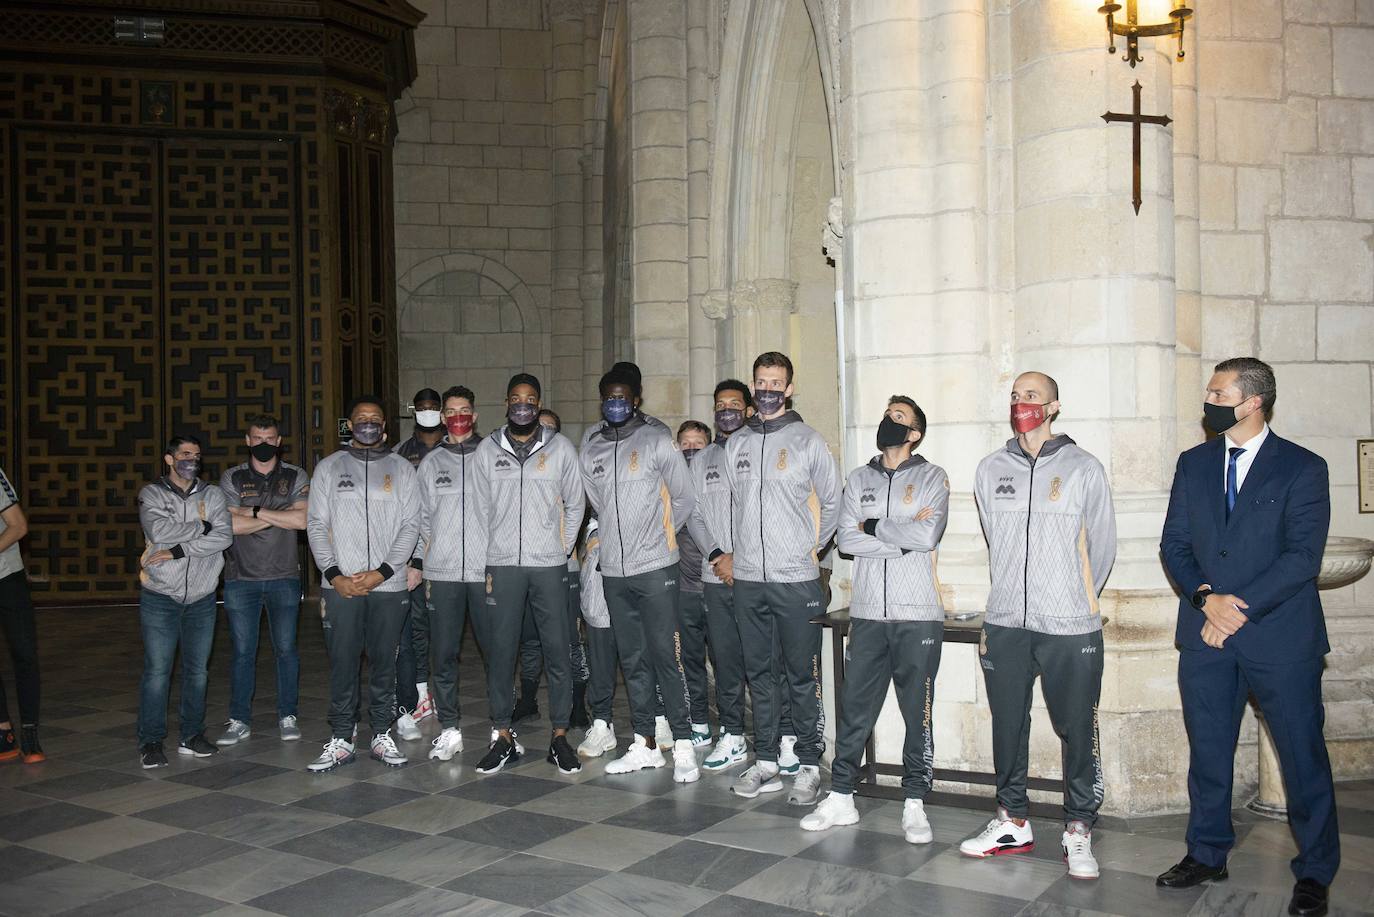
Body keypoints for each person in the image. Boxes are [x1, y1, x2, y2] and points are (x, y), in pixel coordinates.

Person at [1157, 358, 1338, 917]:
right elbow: (1175, 544)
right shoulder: (1194, 463)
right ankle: (1207, 851)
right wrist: (1204, 597)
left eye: (1217, 391)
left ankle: (1315, 870)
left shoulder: (1302, 467)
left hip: (1279, 637)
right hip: (1206, 634)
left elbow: (1302, 557)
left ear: (1251, 401)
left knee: (1301, 756)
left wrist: (1237, 608)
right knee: (1208, 751)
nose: (1206, 399)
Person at [960, 372, 1115, 881]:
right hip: (1006, 622)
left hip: (1069, 624)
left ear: (1054, 406)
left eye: (1032, 396)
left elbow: (1101, 545)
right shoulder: (990, 469)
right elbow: (994, 540)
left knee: (1076, 727)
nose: (1021, 402)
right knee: (1008, 723)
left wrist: (1079, 600)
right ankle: (1012, 820)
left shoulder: (1083, 468)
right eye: (1015, 395)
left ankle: (1078, 828)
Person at [801, 396, 947, 845]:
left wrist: (872, 527)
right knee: (855, 709)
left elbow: (927, 535)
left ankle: (915, 802)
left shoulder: (932, 477)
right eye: (885, 413)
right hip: (866, 615)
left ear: (915, 433)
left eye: (898, 417)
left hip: (917, 615)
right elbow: (845, 541)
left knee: (916, 713)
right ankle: (842, 795)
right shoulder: (858, 478)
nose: (888, 420)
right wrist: (894, 533)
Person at [724, 352, 839, 806]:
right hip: (750, 579)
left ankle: (809, 764)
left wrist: (810, 548)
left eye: (776, 381)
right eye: (761, 381)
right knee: (760, 673)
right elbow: (737, 504)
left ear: (788, 388)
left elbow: (833, 502)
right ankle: (768, 760)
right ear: (753, 386)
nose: (768, 388)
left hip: (796, 579)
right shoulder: (737, 444)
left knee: (801, 676)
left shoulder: (809, 441)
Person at [580, 364, 699, 782]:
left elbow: (683, 497)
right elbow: (597, 503)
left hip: (655, 567)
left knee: (667, 655)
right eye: (608, 397)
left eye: (622, 397)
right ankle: (644, 743)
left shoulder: (656, 441)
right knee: (632, 660)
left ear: (635, 399)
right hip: (614, 569)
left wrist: (661, 535)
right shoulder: (591, 448)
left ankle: (682, 744)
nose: (615, 403)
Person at [471, 373, 586, 775]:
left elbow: (576, 503)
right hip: (503, 566)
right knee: (502, 652)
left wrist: (561, 547)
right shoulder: (487, 450)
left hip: (548, 565)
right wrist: (492, 551)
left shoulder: (560, 449)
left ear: (538, 404)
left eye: (531, 399)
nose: (523, 405)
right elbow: (479, 508)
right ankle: (502, 735)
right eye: (517, 399)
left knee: (558, 650)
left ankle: (559, 736)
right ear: (506, 402)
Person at [305, 396, 420, 772]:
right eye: (360, 419)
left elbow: (410, 525)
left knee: (385, 663)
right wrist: (334, 574)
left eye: (374, 419)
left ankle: (381, 734)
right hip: (341, 586)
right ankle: (341, 736)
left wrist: (383, 572)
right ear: (349, 426)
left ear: (384, 427)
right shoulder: (328, 468)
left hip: (387, 585)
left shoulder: (402, 469)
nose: (367, 424)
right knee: (342, 662)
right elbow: (316, 525)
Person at [136, 435, 233, 768]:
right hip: (160, 595)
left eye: (197, 455)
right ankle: (150, 741)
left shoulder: (214, 494)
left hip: (203, 597)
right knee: (158, 672)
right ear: (169, 459)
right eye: (185, 454)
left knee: (197, 672)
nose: (192, 460)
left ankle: (192, 735)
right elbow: (159, 530)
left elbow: (224, 536)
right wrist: (201, 526)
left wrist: (181, 548)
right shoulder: (152, 493)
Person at [216, 415, 310, 747]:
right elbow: (228, 526)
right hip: (241, 578)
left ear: (279, 440)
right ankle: (239, 719)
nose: (264, 444)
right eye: (257, 438)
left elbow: (302, 520)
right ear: (247, 440)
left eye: (269, 438)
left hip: (284, 576)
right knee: (243, 652)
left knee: (286, 650)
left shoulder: (295, 474)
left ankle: (288, 715)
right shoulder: (233, 477)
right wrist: (276, 515)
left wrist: (252, 512)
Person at [686, 380, 755, 772]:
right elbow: (693, 513)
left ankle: (778, 737)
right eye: (719, 404)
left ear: (747, 409)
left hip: (758, 574)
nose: (726, 409)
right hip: (715, 576)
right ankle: (732, 734)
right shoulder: (702, 460)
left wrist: (742, 558)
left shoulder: (757, 448)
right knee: (726, 661)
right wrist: (717, 555)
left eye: (734, 403)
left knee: (765, 663)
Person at [414, 385, 486, 762]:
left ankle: (500, 729)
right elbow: (422, 517)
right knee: (443, 654)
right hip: (442, 573)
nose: (458, 416)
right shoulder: (430, 462)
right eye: (451, 411)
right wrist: (431, 553)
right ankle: (450, 728)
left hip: (485, 570)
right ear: (443, 418)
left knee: (496, 653)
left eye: (464, 410)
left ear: (473, 416)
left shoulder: (491, 455)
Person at [511, 408, 591, 729]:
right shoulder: (520, 466)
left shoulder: (566, 462)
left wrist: (561, 550)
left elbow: (578, 507)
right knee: (530, 639)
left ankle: (577, 703)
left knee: (570, 638)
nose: (542, 432)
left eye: (549, 428)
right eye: (538, 426)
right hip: (526, 568)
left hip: (563, 566)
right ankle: (528, 700)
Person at [393, 387, 444, 741]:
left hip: (453, 553)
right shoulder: (399, 454)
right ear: (415, 412)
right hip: (416, 554)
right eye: (421, 408)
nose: (427, 412)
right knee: (416, 628)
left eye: (432, 407)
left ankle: (445, 692)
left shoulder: (460, 447)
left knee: (446, 629)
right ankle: (421, 693)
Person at [673, 419, 714, 748]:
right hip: (684, 590)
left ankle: (734, 728)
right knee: (690, 661)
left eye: (697, 444)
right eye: (684, 444)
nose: (690, 449)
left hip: (718, 587)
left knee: (729, 662)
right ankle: (699, 721)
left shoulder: (715, 486)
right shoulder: (668, 487)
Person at [0, 465, 42, 763]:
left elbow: (18, 526)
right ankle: (4, 731)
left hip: (7, 578)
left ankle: (30, 733)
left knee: (24, 653)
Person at [575, 515, 621, 758]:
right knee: (600, 646)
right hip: (599, 540)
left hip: (640, 549)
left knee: (643, 651)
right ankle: (602, 722)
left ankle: (657, 719)